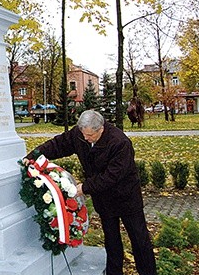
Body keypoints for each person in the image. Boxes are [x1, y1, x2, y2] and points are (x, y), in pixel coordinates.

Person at [26, 110, 156, 275]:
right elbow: (58, 144)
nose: (86, 139)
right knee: (112, 241)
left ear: (101, 128)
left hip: (126, 198)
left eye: (90, 135)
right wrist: (33, 157)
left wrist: (84, 188)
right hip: (104, 200)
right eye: (83, 134)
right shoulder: (80, 134)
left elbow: (112, 176)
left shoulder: (120, 142)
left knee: (139, 240)